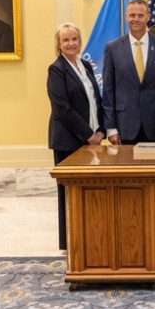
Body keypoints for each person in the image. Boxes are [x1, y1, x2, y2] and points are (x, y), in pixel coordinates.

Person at [47, 22, 105, 250]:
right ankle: (70, 242)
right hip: (68, 141)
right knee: (68, 195)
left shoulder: (86, 66)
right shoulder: (56, 69)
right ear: (59, 45)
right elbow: (62, 108)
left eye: (74, 39)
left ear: (80, 43)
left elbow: (95, 101)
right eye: (66, 40)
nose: (71, 43)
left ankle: (89, 235)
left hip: (92, 139)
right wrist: (88, 134)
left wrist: (100, 129)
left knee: (89, 192)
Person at [102, 0, 155, 145]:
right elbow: (108, 91)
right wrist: (111, 127)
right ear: (126, 17)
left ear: (148, 17)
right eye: (132, 15)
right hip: (125, 125)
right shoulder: (112, 48)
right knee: (127, 168)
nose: (135, 19)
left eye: (140, 15)